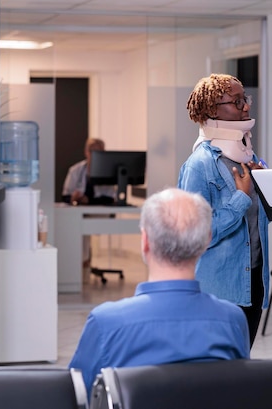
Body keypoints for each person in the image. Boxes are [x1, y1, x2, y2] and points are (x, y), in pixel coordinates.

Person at [68, 188, 250, 396]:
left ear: (145, 241)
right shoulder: (232, 320)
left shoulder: (106, 324)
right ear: (206, 241)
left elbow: (74, 397)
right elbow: (238, 392)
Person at [177, 73, 269, 347]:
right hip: (217, 287)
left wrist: (266, 188)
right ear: (210, 111)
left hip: (252, 279)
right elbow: (194, 235)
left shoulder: (250, 159)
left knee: (240, 366)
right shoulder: (199, 165)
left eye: (245, 99)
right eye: (236, 101)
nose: (245, 106)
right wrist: (241, 197)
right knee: (215, 372)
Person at [62, 137, 116, 278]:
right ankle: (80, 263)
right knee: (78, 222)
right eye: (92, 151)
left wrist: (89, 200)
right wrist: (73, 198)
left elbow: (110, 197)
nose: (95, 155)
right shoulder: (75, 170)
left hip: (100, 213)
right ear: (86, 152)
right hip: (79, 212)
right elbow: (65, 195)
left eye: (99, 152)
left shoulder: (109, 172)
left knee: (82, 224)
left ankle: (83, 262)